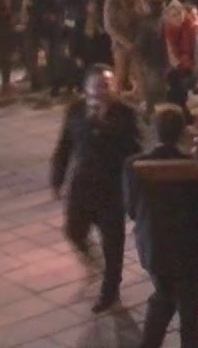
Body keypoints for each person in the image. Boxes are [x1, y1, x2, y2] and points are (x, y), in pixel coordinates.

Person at [50, 64, 141, 313]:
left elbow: (136, 150)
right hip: (82, 185)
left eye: (107, 85)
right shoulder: (75, 111)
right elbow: (64, 146)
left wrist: (104, 124)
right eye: (97, 85)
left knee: (113, 243)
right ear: (87, 87)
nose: (102, 89)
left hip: (112, 189)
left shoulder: (125, 114)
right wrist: (57, 179)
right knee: (73, 230)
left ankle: (110, 292)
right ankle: (93, 261)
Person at [123, 106, 198, 348]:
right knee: (189, 313)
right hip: (188, 246)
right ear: (182, 132)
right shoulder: (193, 167)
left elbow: (131, 209)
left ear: (154, 131)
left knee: (164, 294)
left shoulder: (133, 166)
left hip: (152, 244)